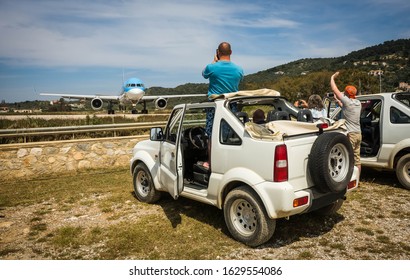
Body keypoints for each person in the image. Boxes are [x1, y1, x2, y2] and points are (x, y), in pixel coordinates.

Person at [201, 42, 244, 169]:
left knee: (211, 134)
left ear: (218, 53)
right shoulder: (239, 69)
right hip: (232, 104)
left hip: (215, 104)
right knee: (230, 134)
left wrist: (214, 62)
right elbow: (239, 80)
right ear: (231, 52)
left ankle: (210, 162)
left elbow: (204, 74)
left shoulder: (212, 67)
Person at [330, 71, 362, 175]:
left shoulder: (347, 102)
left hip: (351, 134)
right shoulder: (358, 103)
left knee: (349, 157)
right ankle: (358, 177)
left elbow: (334, 89)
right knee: (357, 158)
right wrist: (338, 101)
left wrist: (332, 77)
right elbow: (346, 107)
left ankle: (349, 177)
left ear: (347, 94)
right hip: (358, 134)